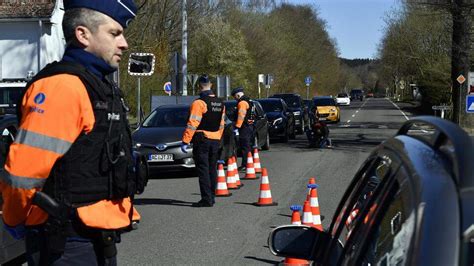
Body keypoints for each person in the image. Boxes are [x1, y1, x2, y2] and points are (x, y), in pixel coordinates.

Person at [0, 0, 141, 265]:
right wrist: (14, 218)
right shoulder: (63, 87)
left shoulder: (98, 86)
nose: (124, 43)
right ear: (82, 34)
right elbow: (22, 174)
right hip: (65, 241)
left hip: (95, 238)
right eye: (114, 33)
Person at [181, 75, 225, 207]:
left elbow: (193, 123)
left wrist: (185, 140)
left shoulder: (199, 103)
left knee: (203, 170)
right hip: (215, 139)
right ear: (211, 85)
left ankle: (206, 199)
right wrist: (218, 137)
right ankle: (211, 196)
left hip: (202, 139)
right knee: (212, 169)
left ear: (199, 86)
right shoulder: (220, 103)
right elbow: (221, 124)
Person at [231, 87, 255, 171]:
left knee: (245, 147)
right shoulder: (250, 101)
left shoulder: (242, 103)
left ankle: (245, 164)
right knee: (248, 146)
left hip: (244, 127)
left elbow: (241, 116)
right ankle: (249, 163)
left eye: (235, 97)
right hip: (250, 126)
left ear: (237, 95)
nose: (235, 99)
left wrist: (237, 127)